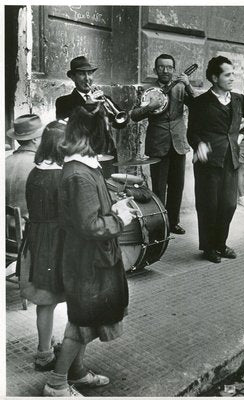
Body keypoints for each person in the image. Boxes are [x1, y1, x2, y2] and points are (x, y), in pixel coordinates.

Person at [43, 104, 137, 397]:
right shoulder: (78, 175)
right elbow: (90, 225)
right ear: (90, 135)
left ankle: (78, 373)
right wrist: (120, 218)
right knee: (82, 323)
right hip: (88, 261)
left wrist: (113, 206)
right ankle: (57, 383)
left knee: (86, 317)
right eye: (104, 130)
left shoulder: (83, 168)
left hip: (93, 259)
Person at [187, 56, 244, 263]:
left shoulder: (238, 99)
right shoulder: (200, 103)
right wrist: (198, 144)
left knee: (229, 205)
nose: (232, 78)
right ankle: (209, 247)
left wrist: (242, 134)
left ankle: (220, 243)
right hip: (208, 161)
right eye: (227, 75)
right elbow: (192, 133)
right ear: (214, 77)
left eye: (232, 74)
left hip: (231, 159)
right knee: (208, 204)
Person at [131, 54, 196, 235]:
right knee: (159, 187)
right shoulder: (147, 90)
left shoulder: (181, 88)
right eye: (161, 67)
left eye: (169, 67)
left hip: (178, 143)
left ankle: (173, 222)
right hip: (158, 143)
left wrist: (189, 84)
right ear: (155, 70)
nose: (165, 71)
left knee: (177, 186)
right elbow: (134, 115)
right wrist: (148, 108)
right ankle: (160, 224)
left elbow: (198, 105)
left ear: (174, 70)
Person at [20, 121, 66, 371]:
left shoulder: (35, 171)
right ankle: (48, 355)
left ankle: (44, 350)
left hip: (37, 238)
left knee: (44, 302)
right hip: (55, 241)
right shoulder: (60, 176)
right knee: (52, 299)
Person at [6, 114, 43, 220]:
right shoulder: (40, 165)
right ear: (35, 139)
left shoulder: (5, 161)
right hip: (29, 230)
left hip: (5, 230)